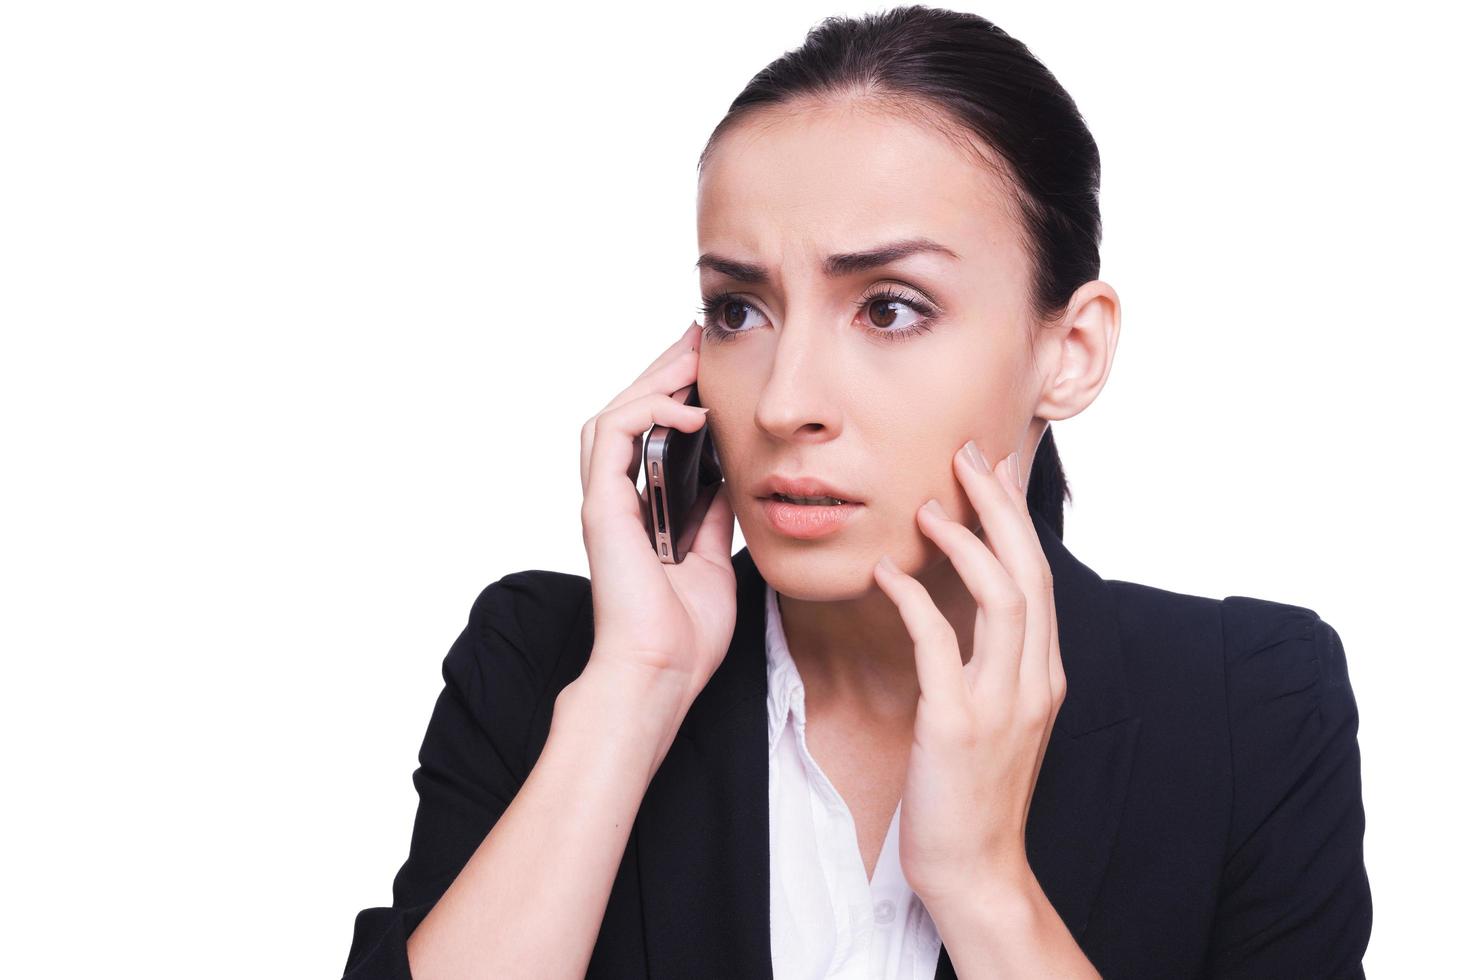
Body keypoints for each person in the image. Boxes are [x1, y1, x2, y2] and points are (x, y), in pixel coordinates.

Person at [341, 7, 1372, 978]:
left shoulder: (1249, 710)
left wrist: (984, 885)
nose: (784, 401)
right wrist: (634, 693)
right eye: (737, 309)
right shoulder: (546, 666)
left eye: (888, 306)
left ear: (1069, 351)